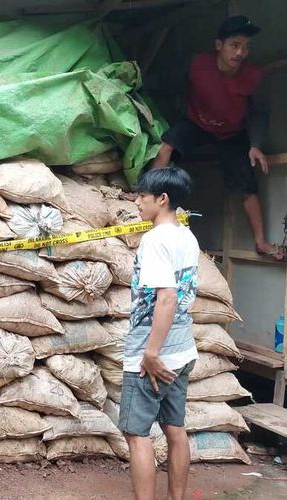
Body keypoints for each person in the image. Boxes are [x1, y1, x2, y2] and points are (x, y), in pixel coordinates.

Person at [151, 15, 282, 260]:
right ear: (219, 45)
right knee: (166, 146)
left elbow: (260, 112)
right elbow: (165, 82)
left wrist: (255, 145)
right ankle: (148, 194)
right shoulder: (197, 65)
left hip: (232, 133)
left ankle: (261, 242)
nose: (241, 52)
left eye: (246, 47)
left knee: (248, 186)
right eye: (235, 45)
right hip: (196, 123)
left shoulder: (253, 76)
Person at [120, 167, 200, 500]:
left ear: (162, 199)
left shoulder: (155, 240)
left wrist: (150, 353)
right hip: (183, 350)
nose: (137, 201)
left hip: (153, 354)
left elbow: (166, 297)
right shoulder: (187, 236)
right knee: (175, 430)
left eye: (142, 195)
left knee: (136, 435)